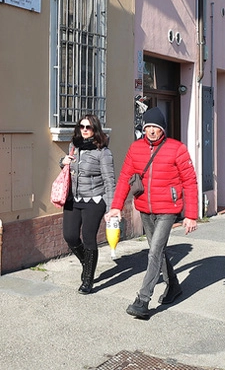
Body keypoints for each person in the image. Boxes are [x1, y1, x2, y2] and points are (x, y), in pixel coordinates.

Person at [105, 106, 199, 319]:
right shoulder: (135, 148)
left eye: (156, 127)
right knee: (158, 251)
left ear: (163, 129)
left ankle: (143, 300)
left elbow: (190, 182)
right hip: (145, 209)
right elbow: (124, 178)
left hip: (168, 209)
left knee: (154, 252)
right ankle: (173, 286)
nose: (152, 131)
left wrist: (191, 215)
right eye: (148, 127)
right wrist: (116, 206)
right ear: (143, 128)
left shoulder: (177, 149)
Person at [59, 114, 115, 294]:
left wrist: (111, 207)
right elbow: (69, 169)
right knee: (70, 236)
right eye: (81, 126)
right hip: (73, 199)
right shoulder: (73, 147)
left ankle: (88, 280)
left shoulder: (103, 152)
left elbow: (109, 180)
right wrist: (63, 162)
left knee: (89, 238)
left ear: (95, 130)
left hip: (94, 200)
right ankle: (87, 263)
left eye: (88, 127)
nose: (84, 130)